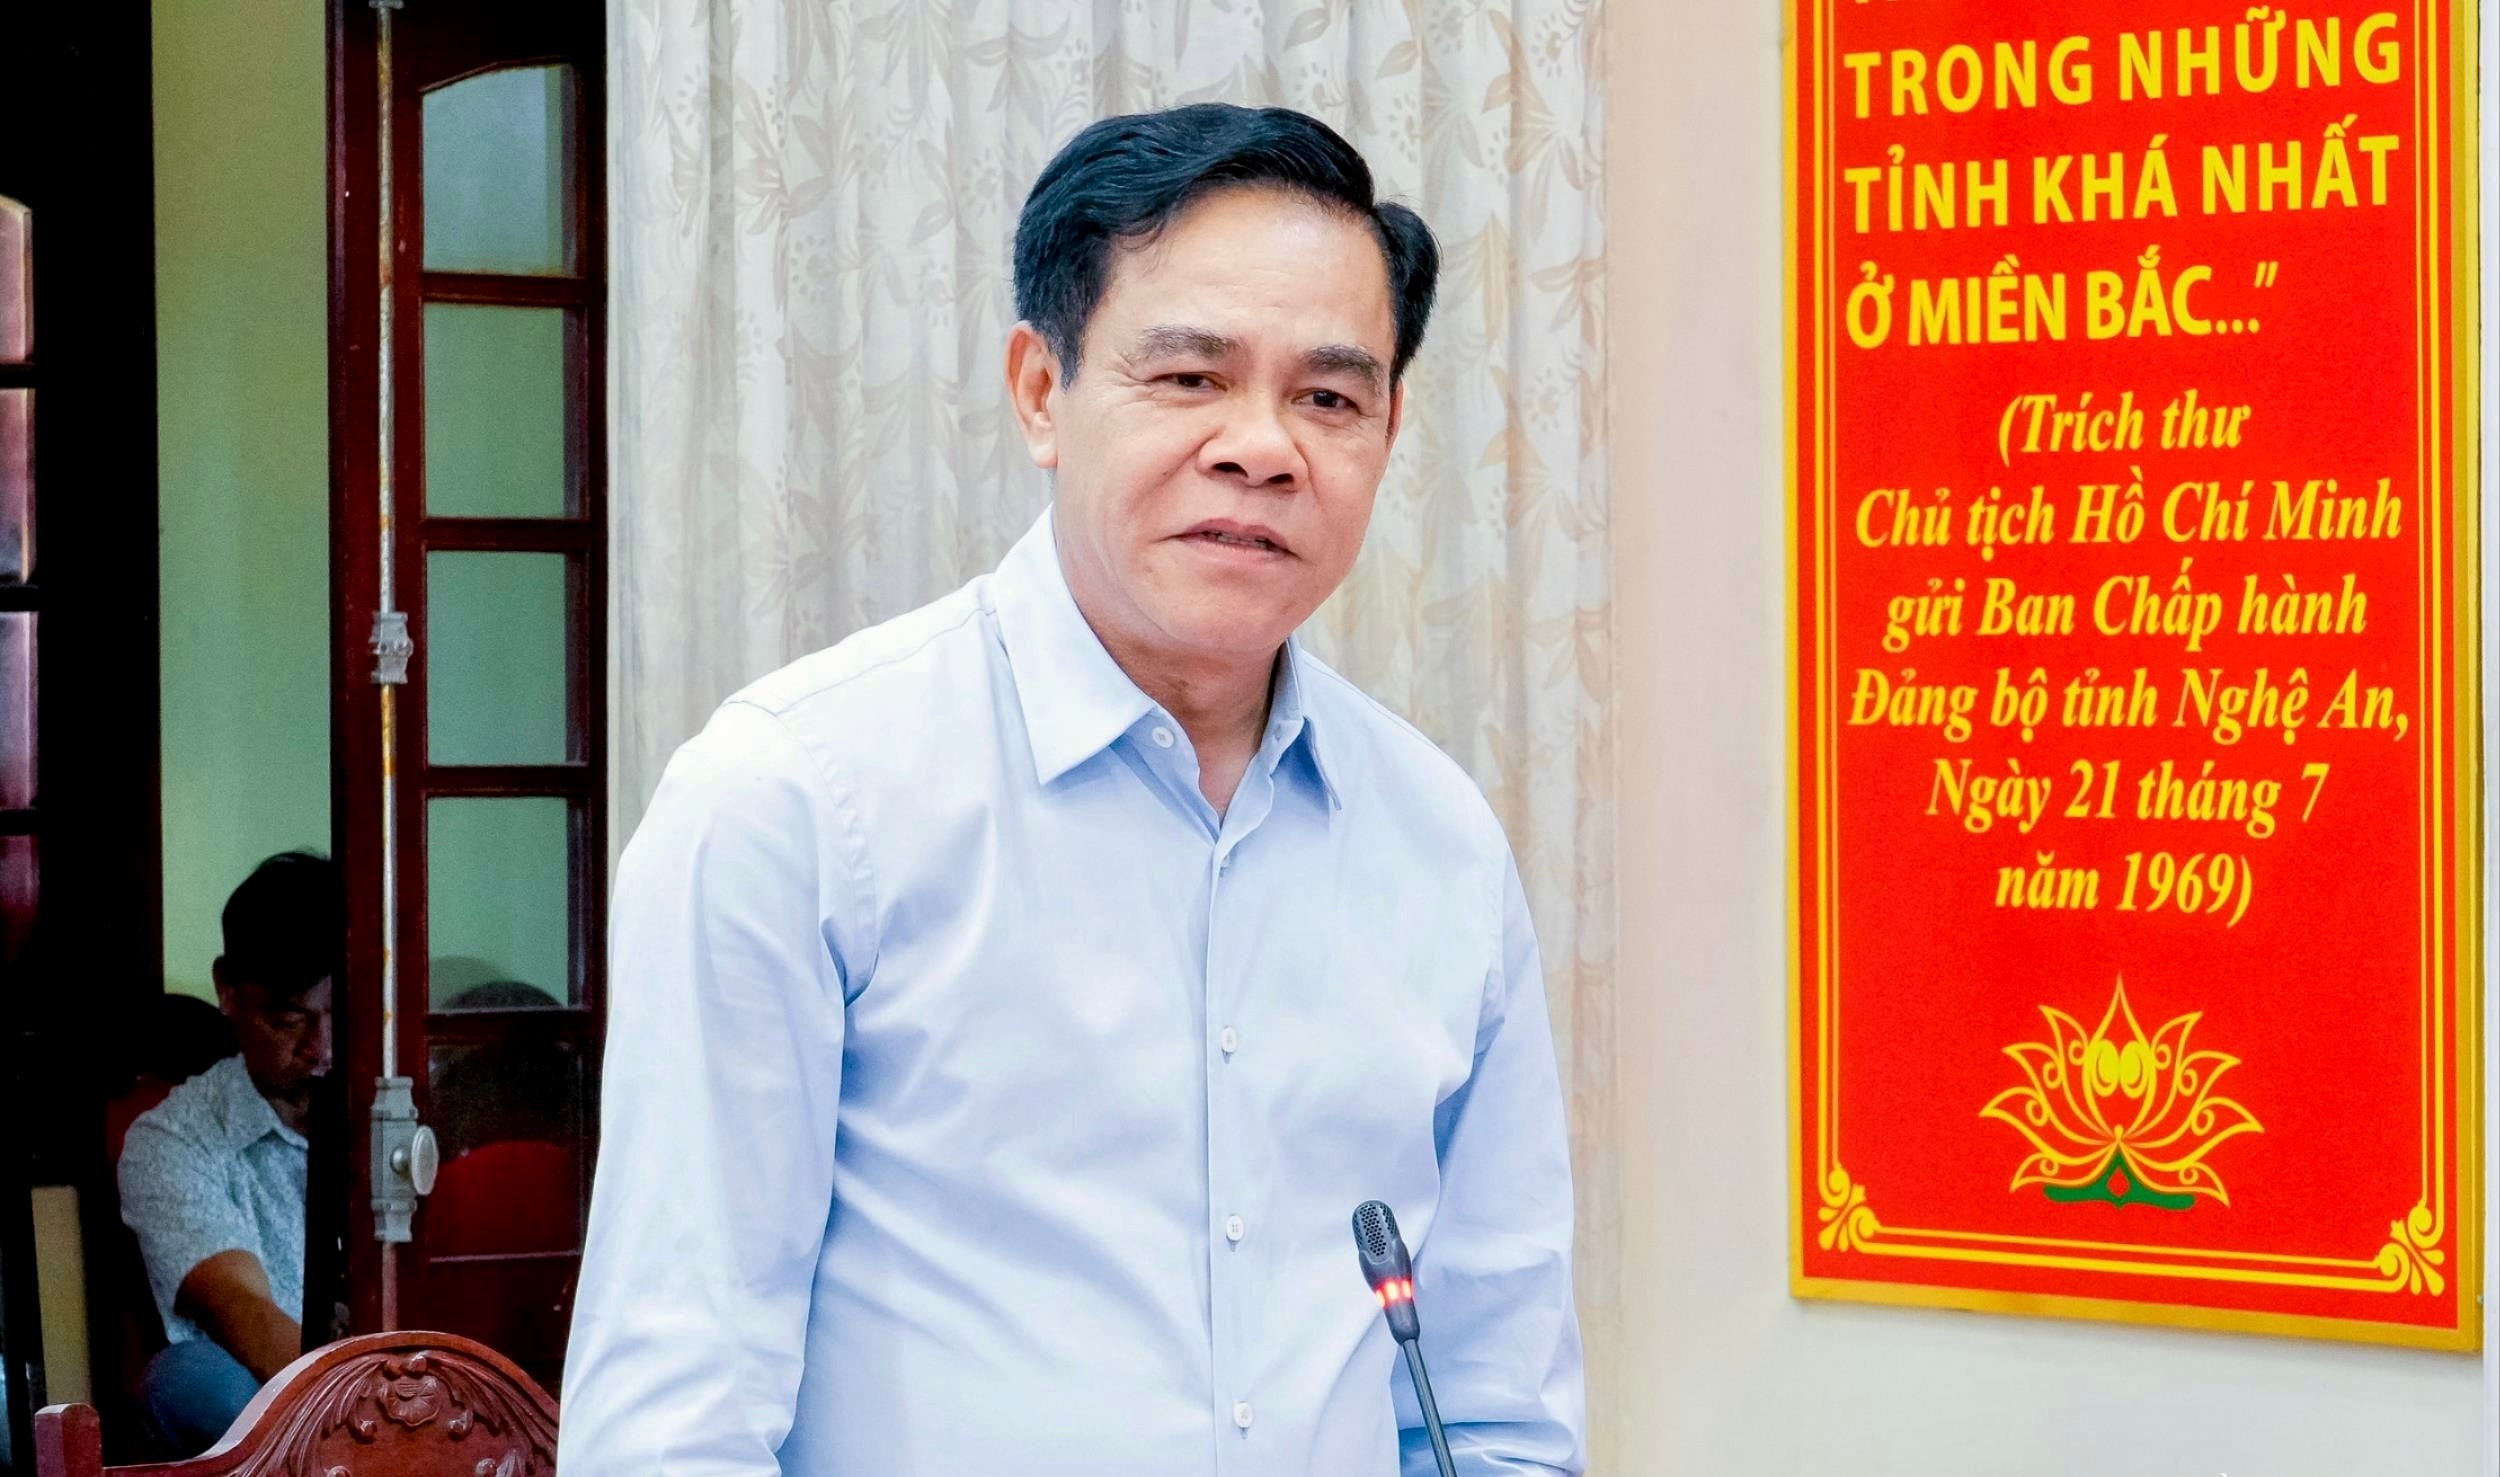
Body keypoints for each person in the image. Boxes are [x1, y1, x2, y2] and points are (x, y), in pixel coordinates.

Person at [563, 103, 1584, 1474]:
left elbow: (1501, 1408)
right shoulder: (797, 801)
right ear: (1042, 391)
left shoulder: (1440, 842)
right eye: (1190, 377)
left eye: (1329, 398)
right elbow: (674, 1418)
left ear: (1388, 432)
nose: (1263, 446)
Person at [118, 851, 338, 1455]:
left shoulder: (401, 1113)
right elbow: (241, 1309)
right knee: (188, 1377)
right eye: (288, 1020)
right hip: (282, 1412)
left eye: (338, 1013)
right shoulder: (173, 1138)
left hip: (417, 1386)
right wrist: (357, 1422)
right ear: (227, 991)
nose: (320, 1048)